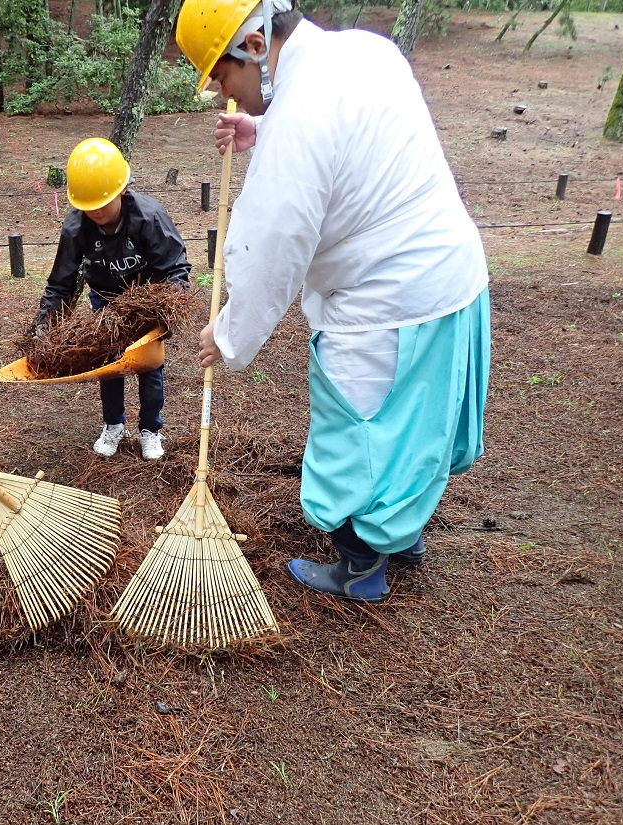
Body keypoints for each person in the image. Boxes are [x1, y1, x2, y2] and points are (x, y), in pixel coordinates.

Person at [178, 0, 491, 603]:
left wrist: (230, 332)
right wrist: (260, 129)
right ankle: (398, 533)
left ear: (255, 46)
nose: (228, 96)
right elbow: (339, 128)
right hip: (451, 277)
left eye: (222, 77)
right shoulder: (361, 50)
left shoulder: (300, 117)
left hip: (386, 300)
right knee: (416, 422)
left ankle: (359, 566)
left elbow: (272, 246)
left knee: (360, 429)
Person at [36, 137, 191, 461]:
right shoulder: (77, 227)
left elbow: (175, 267)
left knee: (150, 368)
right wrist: (43, 328)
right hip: (106, 302)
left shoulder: (148, 218)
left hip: (149, 303)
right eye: (88, 205)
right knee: (109, 365)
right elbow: (61, 285)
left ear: (123, 189)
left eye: (102, 203)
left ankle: (150, 429)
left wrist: (167, 309)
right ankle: (113, 424)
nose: (96, 211)